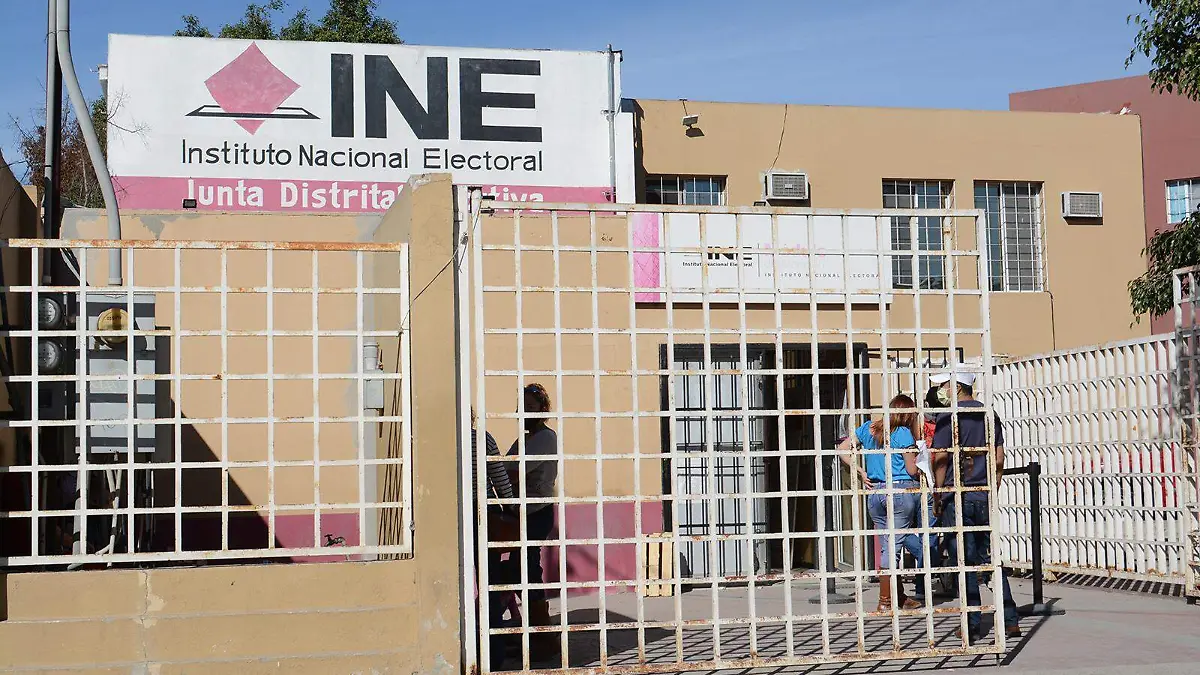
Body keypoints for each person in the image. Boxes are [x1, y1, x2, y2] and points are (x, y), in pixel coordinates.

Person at [930, 371, 1021, 643]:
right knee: (989, 559)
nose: (942, 390)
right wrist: (994, 487)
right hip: (983, 493)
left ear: (957, 386)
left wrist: (938, 493)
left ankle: (971, 623)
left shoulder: (949, 417)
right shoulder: (988, 415)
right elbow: (999, 458)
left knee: (964, 561)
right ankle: (1010, 619)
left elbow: (941, 458)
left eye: (945, 385)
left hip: (956, 494)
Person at [838, 394, 927, 611]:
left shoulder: (869, 428)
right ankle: (885, 600)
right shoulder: (903, 433)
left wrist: (860, 471)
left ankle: (899, 596)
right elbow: (911, 470)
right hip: (899, 490)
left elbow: (842, 449)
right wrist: (923, 463)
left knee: (887, 544)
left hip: (875, 492)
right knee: (893, 547)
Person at [505, 383, 561, 658]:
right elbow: (504, 466)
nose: (525, 411)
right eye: (522, 407)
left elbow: (513, 470)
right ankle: (533, 631)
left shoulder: (545, 438)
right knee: (519, 568)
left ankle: (543, 637)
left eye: (531, 406)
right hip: (521, 512)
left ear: (542, 409)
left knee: (526, 569)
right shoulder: (525, 438)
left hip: (537, 512)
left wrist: (503, 473)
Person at [471, 407, 518, 671]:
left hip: (450, 516)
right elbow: (500, 478)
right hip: (483, 514)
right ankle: (494, 654)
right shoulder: (482, 438)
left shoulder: (441, 440)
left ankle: (462, 647)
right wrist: (511, 507)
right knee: (489, 584)